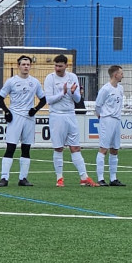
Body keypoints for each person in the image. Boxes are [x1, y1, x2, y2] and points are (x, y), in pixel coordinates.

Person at [45, 54, 93, 187]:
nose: (57, 68)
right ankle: (59, 178)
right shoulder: (50, 78)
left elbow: (77, 99)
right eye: (56, 65)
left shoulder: (72, 77)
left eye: (60, 66)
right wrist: (63, 93)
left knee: (75, 147)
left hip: (71, 115)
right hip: (57, 116)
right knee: (58, 148)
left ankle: (84, 177)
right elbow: (49, 100)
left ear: (66, 66)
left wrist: (72, 92)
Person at [0, 55, 45, 187]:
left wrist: (35, 109)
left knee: (26, 148)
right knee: (10, 147)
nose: (26, 67)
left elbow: (43, 99)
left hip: (29, 118)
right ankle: (4, 178)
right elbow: (0, 99)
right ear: (18, 66)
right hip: (15, 117)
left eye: (28, 64)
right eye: (23, 64)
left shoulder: (35, 82)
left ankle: (23, 178)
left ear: (30, 66)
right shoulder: (11, 81)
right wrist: (7, 111)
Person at [94, 65, 126, 186]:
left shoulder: (121, 88)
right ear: (115, 74)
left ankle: (113, 178)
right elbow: (98, 105)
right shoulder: (105, 89)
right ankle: (101, 178)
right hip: (107, 120)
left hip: (117, 120)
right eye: (121, 73)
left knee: (115, 149)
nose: (122, 75)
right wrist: (101, 116)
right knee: (103, 148)